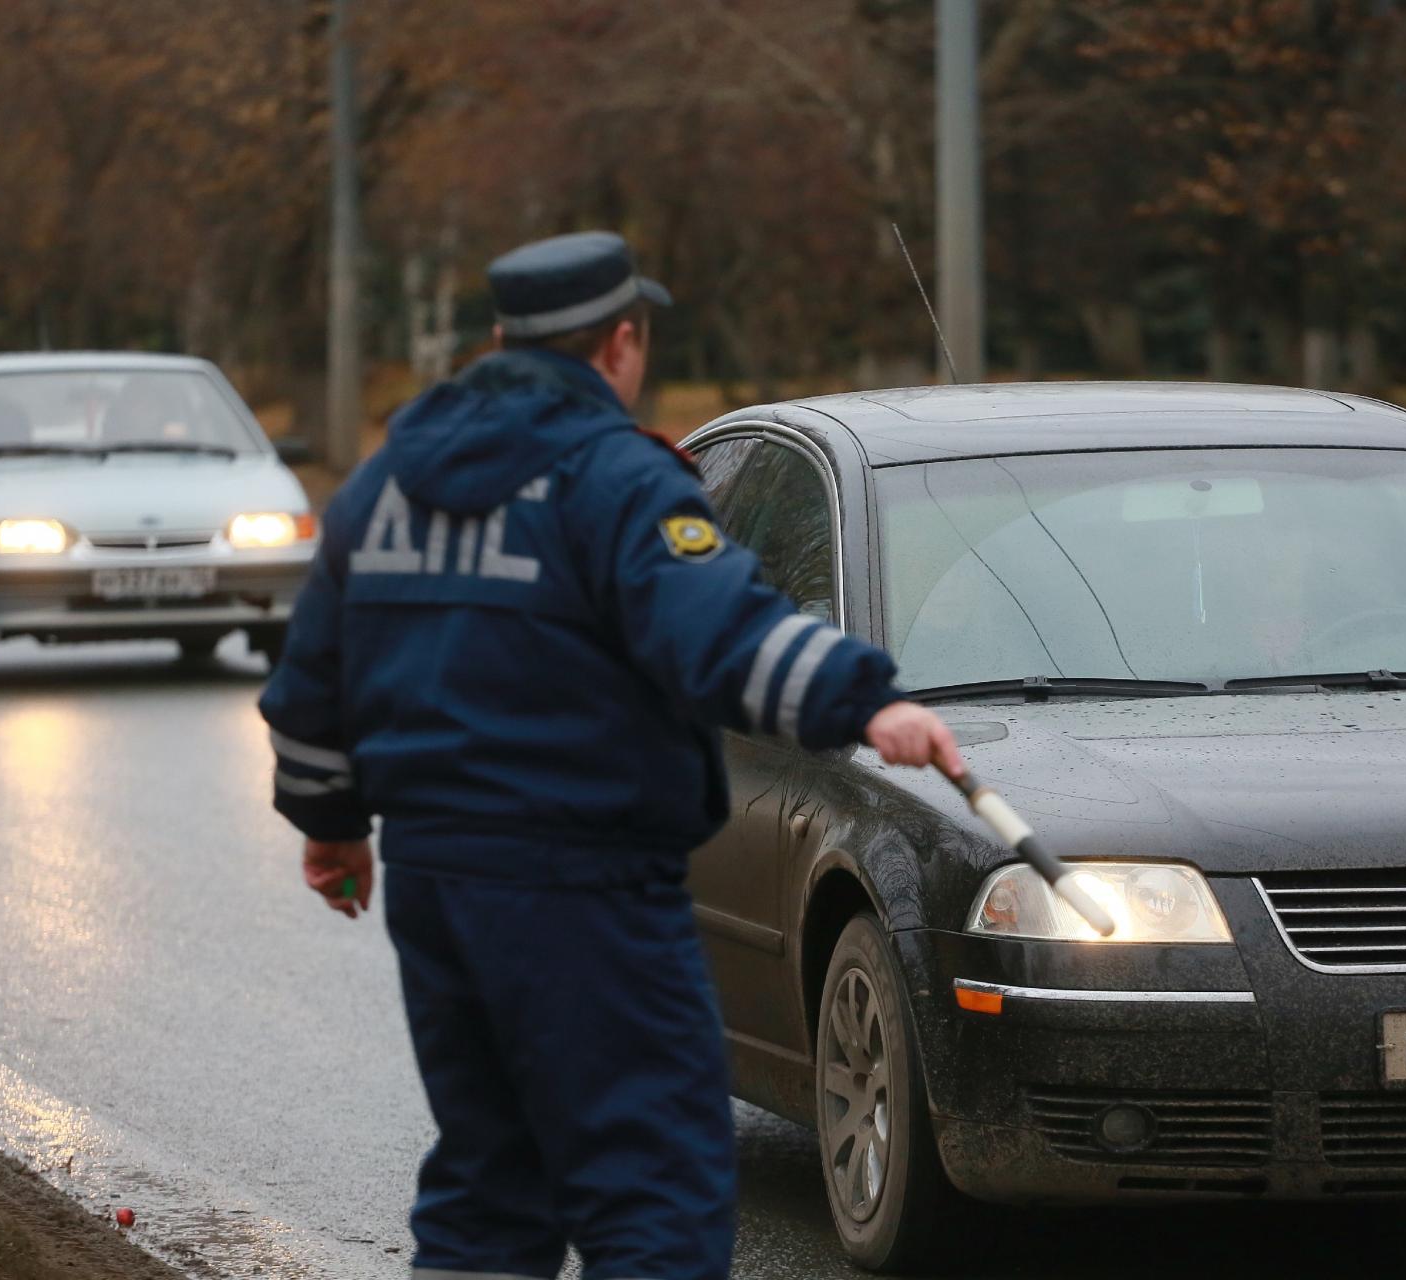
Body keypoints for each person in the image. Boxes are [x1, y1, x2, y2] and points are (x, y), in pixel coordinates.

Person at [258, 230, 963, 1280]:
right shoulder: (615, 480)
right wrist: (863, 701)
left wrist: (330, 828)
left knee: (490, 1179)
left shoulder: (385, 484)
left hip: (438, 886)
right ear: (620, 342)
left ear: (502, 339)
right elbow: (715, 628)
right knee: (656, 1187)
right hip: (583, 890)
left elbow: (310, 683)